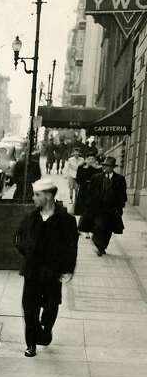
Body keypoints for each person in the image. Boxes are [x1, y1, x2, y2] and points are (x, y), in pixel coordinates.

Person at [14, 178, 79, 358]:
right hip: (32, 270)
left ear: (49, 196)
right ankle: (31, 343)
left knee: (50, 306)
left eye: (37, 195)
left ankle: (47, 328)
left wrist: (68, 269)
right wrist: (27, 250)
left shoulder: (66, 220)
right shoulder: (30, 218)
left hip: (53, 271)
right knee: (29, 308)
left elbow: (72, 247)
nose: (34, 198)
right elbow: (18, 238)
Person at [90, 155, 127, 256]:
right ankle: (98, 244)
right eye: (104, 165)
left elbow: (122, 194)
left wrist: (121, 206)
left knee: (108, 229)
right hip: (99, 209)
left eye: (107, 166)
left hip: (112, 209)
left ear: (112, 167)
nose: (104, 168)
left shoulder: (120, 179)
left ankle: (103, 247)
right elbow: (91, 192)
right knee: (99, 226)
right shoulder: (96, 178)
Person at [75, 152, 100, 237]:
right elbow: (78, 179)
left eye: (92, 159)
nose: (90, 161)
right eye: (89, 159)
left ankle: (89, 229)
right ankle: (80, 228)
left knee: (91, 210)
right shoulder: (81, 168)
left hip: (94, 191)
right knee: (83, 210)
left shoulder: (98, 169)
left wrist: (94, 168)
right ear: (86, 160)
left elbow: (100, 180)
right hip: (83, 190)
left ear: (95, 160)